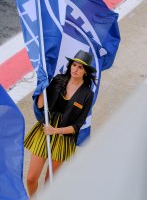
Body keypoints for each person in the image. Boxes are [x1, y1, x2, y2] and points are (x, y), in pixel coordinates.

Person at [24, 50, 96, 197]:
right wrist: (42, 88)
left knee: (49, 182)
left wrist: (56, 131)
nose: (75, 69)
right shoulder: (58, 80)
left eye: (80, 67)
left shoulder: (87, 94)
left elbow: (77, 126)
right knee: (31, 178)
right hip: (46, 128)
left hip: (64, 136)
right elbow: (41, 106)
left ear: (86, 72)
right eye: (74, 65)